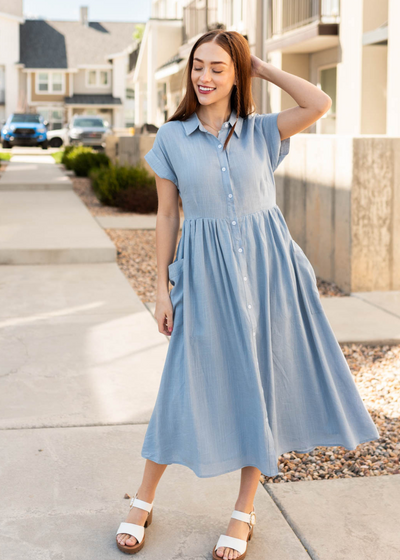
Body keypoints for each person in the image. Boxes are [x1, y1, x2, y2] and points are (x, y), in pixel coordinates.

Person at [115, 30, 380, 559]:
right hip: (206, 276)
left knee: (260, 384)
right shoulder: (171, 137)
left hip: (270, 273)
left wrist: (260, 66)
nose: (204, 77)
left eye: (218, 67)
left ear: (237, 74)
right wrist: (162, 289)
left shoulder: (262, 131)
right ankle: (143, 499)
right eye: (197, 66)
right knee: (184, 385)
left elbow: (319, 102)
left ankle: (244, 509)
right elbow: (168, 215)